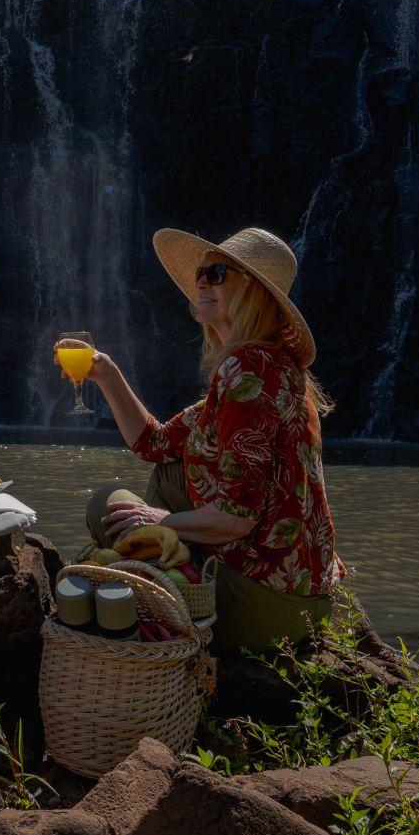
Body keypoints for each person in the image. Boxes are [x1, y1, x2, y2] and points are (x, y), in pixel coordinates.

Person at [67, 226, 342, 654]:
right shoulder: (271, 364)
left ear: (251, 291)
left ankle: (163, 578)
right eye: (200, 273)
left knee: (106, 505)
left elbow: (238, 518)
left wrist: (157, 522)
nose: (200, 282)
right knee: (168, 470)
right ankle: (165, 563)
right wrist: (107, 374)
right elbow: (156, 444)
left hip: (264, 605)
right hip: (301, 594)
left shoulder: (246, 371)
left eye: (216, 274)